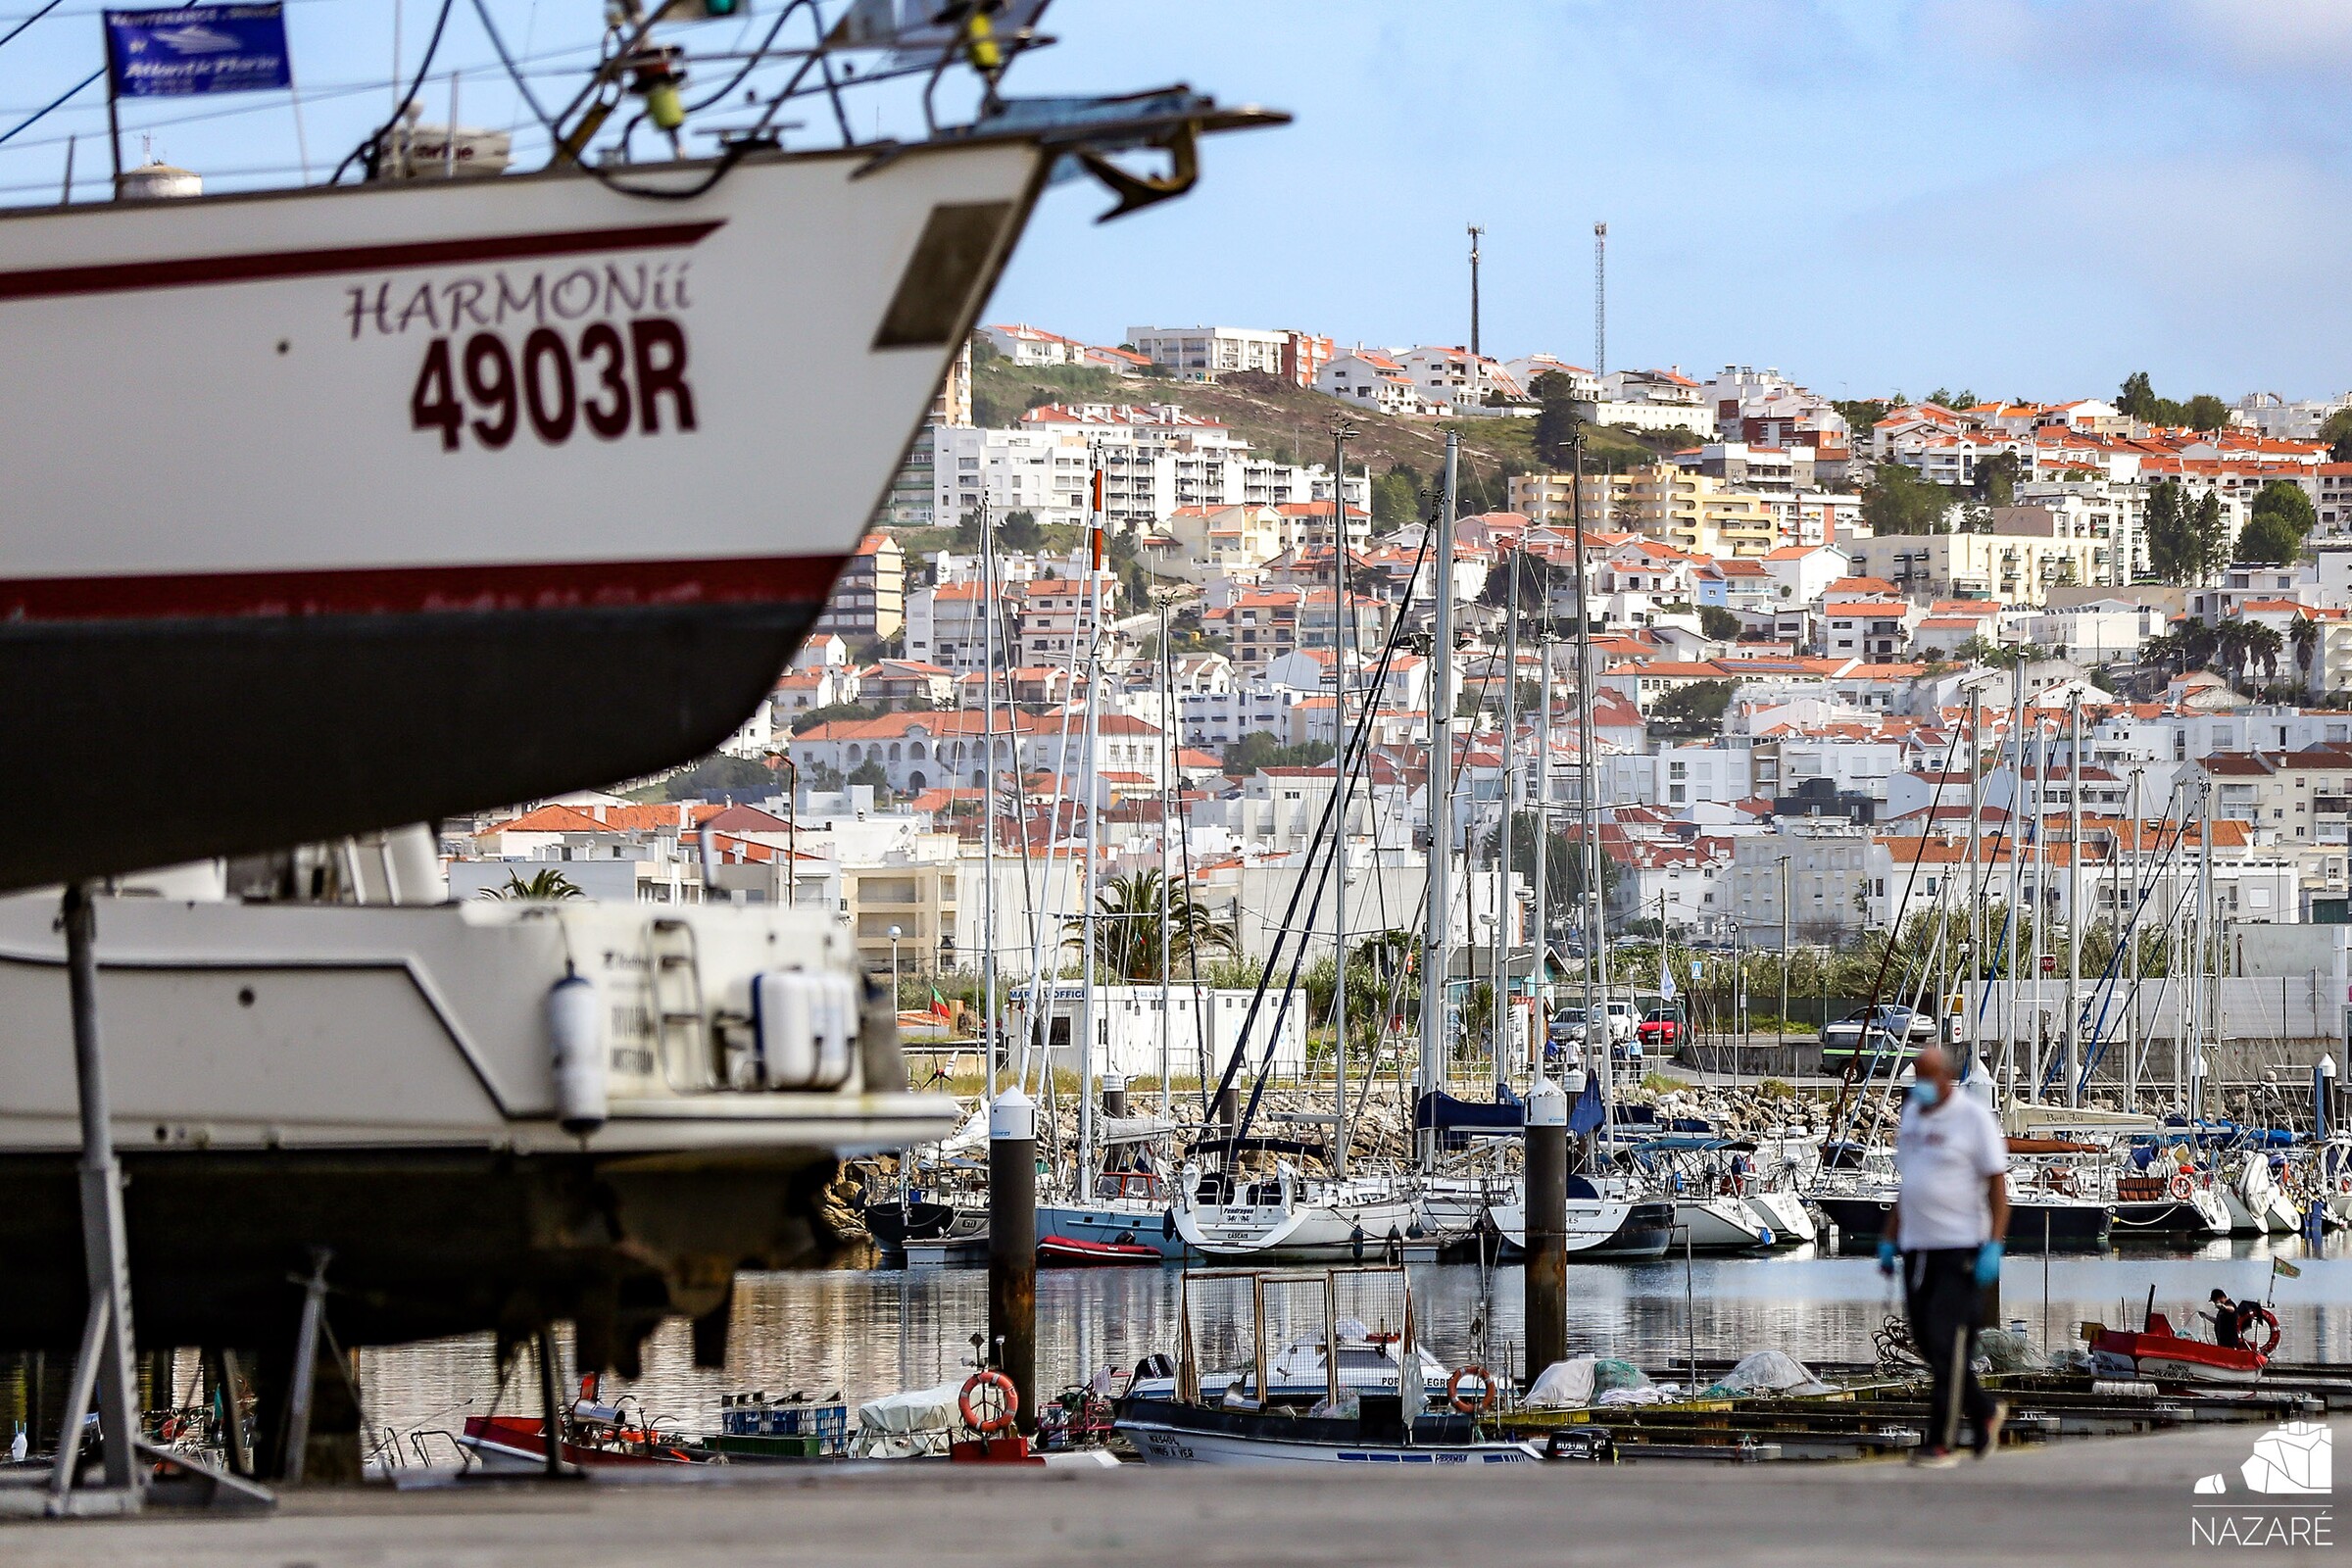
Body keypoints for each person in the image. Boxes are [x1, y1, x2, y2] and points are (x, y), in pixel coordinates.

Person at [1878, 1044, 2010, 1466]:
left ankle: (1941, 1441)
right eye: (1915, 1076)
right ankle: (1986, 1411)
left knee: (1947, 1339)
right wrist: (1887, 1239)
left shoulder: (1973, 1120)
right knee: (1925, 1340)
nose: (1919, 1085)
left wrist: (1994, 1244)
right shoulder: (1912, 1117)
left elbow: (1998, 1189)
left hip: (1961, 1247)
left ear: (1946, 1078)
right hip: (1917, 1248)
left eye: (1926, 1077)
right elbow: (1909, 1184)